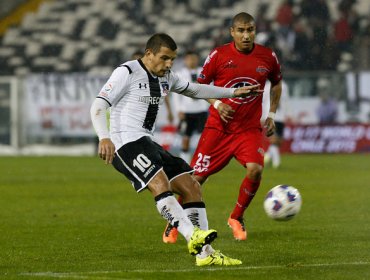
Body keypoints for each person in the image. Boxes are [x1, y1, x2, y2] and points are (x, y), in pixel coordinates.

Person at [90, 33, 262, 266]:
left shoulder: (166, 77)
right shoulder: (127, 72)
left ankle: (206, 255)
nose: (169, 64)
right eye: (164, 58)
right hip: (125, 144)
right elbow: (99, 104)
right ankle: (193, 236)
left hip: (147, 142)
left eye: (172, 59)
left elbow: (195, 90)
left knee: (191, 186)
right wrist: (104, 137)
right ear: (148, 54)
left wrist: (232, 92)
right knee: (160, 183)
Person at [163, 12, 282, 243]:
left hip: (248, 130)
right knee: (195, 180)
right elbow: (200, 86)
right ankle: (175, 221)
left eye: (250, 30)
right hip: (218, 128)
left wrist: (272, 113)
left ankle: (236, 217)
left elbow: (276, 82)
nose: (246, 35)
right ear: (232, 32)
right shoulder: (219, 55)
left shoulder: (267, 56)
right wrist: (217, 104)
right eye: (241, 30)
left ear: (255, 31)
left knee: (256, 169)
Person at [172, 50, 209, 162]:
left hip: (201, 110)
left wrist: (208, 106)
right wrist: (179, 110)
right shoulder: (179, 74)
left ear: (197, 59)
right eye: (189, 59)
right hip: (186, 111)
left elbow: (209, 90)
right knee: (185, 137)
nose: (192, 61)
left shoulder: (203, 72)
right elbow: (175, 95)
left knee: (203, 138)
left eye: (194, 58)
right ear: (185, 60)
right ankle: (185, 162)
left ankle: (201, 162)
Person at [263, 80, 290, 169]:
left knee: (279, 141)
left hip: (281, 116)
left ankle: (267, 155)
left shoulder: (284, 85)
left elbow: (286, 101)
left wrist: (287, 114)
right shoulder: (266, 86)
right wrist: (263, 116)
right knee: (273, 139)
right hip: (270, 115)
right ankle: (276, 162)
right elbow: (264, 102)